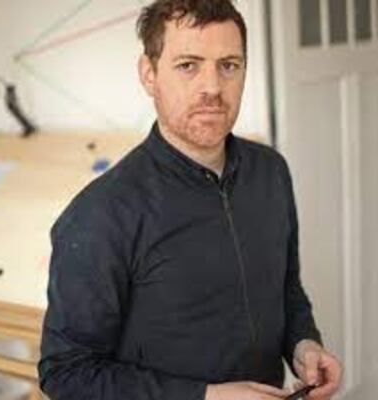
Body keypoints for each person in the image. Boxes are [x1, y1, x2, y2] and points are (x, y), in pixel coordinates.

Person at [38, 1, 343, 399]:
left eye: (229, 65)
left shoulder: (271, 171)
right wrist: (206, 396)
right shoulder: (100, 215)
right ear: (149, 74)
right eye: (188, 65)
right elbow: (66, 374)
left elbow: (286, 290)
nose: (212, 87)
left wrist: (304, 345)